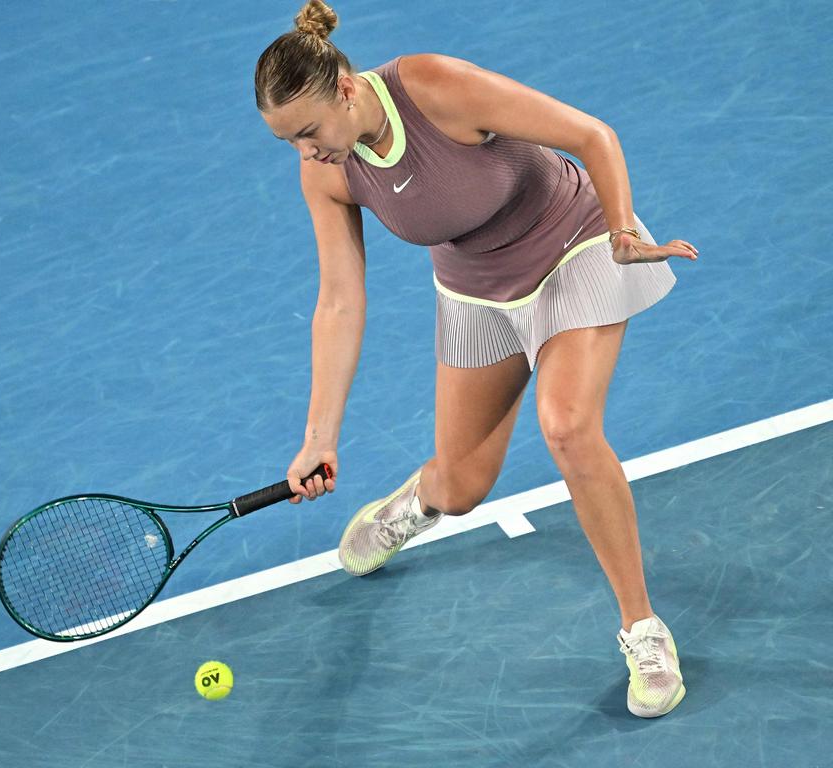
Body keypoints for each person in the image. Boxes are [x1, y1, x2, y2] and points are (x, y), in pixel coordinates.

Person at [255, 0, 697, 718]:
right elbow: (339, 302)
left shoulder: (430, 87)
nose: (305, 152)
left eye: (307, 132)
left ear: (344, 89)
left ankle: (642, 629)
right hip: (476, 293)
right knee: (462, 488)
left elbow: (592, 134)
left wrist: (620, 229)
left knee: (567, 426)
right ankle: (417, 501)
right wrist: (319, 436)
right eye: (287, 142)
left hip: (575, 246)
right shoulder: (328, 172)